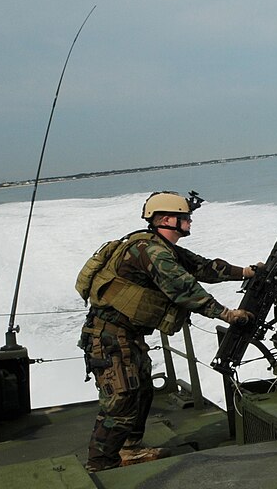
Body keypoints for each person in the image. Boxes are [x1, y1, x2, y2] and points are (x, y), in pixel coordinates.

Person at [78, 191, 257, 472]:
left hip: (126, 336)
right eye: (184, 217)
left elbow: (203, 267)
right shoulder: (151, 251)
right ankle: (100, 465)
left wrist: (246, 271)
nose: (189, 222)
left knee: (142, 391)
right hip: (109, 336)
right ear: (165, 219)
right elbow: (183, 288)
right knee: (121, 398)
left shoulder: (160, 247)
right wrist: (227, 314)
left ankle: (129, 449)